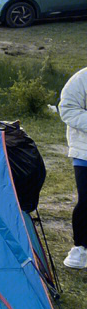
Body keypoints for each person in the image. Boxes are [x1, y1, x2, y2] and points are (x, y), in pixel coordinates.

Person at [61, 67, 87, 269]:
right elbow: (67, 109)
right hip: (84, 153)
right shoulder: (80, 79)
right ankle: (80, 248)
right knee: (86, 200)